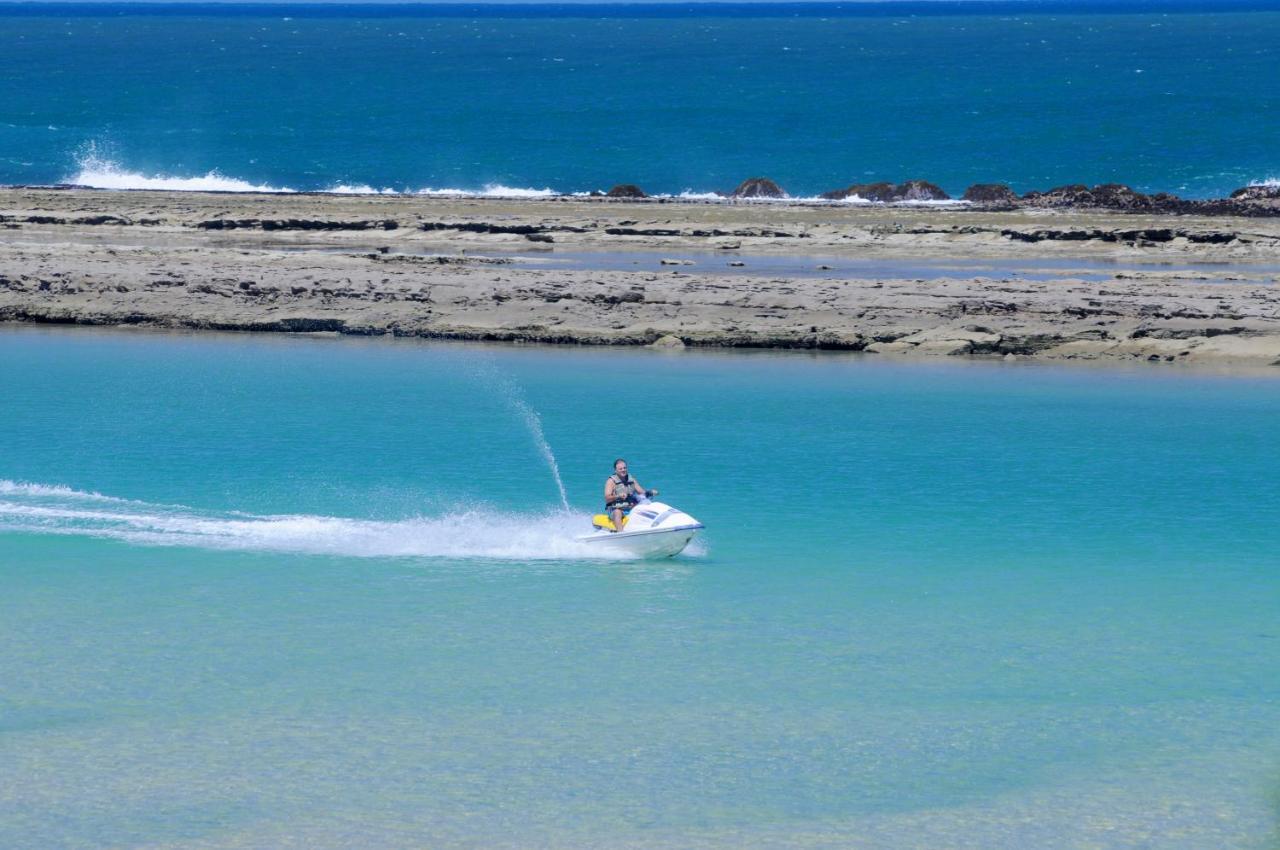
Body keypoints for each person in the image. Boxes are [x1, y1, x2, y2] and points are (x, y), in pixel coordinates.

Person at [604, 458, 656, 533]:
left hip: (629, 507)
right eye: (620, 469)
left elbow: (642, 492)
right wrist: (618, 496)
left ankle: (651, 526)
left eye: (624, 468)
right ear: (616, 470)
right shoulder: (611, 481)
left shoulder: (631, 479)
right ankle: (620, 533)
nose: (623, 470)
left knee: (644, 504)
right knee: (617, 512)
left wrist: (650, 492)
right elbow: (607, 498)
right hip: (615, 509)